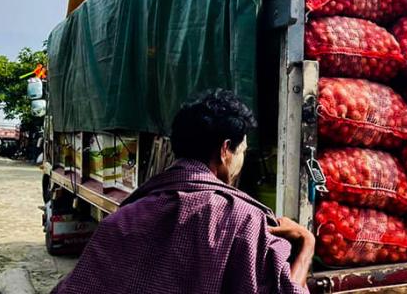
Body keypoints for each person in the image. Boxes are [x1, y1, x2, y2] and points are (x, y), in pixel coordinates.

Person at [53, 89, 313, 293]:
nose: (241, 160)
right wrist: (306, 244)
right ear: (225, 151)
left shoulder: (122, 220)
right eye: (242, 151)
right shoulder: (247, 222)